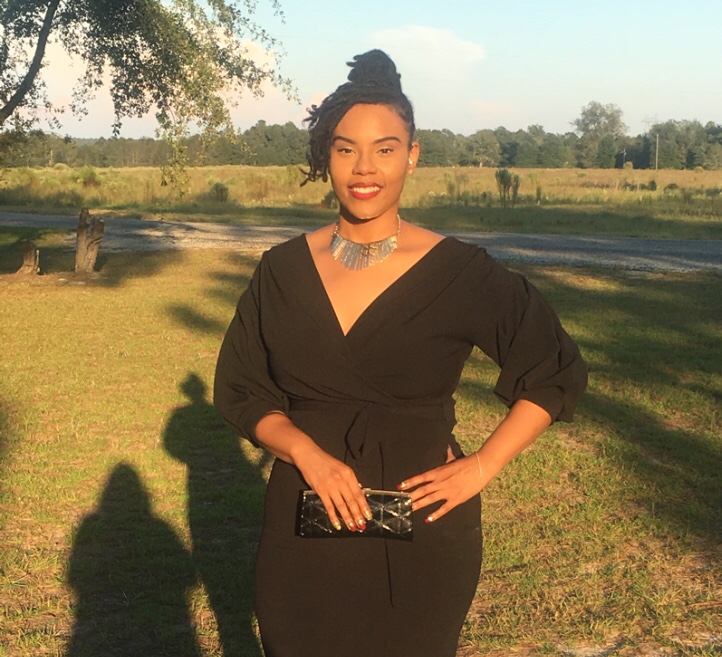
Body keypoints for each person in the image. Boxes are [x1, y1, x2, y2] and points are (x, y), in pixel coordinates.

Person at [214, 49, 587, 657]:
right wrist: (307, 454)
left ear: (412, 156)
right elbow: (241, 389)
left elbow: (553, 370)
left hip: (425, 529)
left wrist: (482, 465)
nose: (365, 168)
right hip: (302, 522)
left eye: (384, 149)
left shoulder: (460, 271)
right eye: (346, 149)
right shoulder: (280, 271)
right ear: (325, 157)